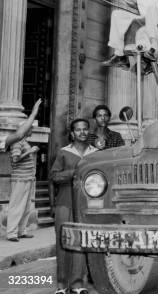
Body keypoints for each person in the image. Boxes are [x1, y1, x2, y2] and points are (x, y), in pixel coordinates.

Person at [51, 118, 98, 294]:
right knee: (63, 241)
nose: (82, 132)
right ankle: (62, 286)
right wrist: (74, 172)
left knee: (82, 241)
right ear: (72, 133)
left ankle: (78, 284)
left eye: (85, 129)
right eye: (78, 130)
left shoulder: (96, 153)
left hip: (87, 203)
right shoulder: (63, 152)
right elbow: (55, 177)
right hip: (65, 201)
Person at [6, 99, 42, 242]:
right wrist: (30, 152)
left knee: (26, 207)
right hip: (20, 178)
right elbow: (15, 159)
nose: (32, 130)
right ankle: (12, 233)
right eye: (30, 128)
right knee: (17, 206)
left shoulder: (24, 142)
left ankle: (21, 231)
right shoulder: (17, 142)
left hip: (27, 178)